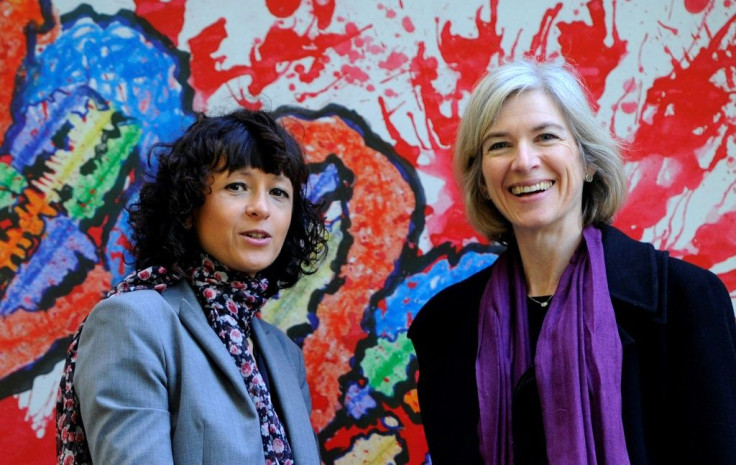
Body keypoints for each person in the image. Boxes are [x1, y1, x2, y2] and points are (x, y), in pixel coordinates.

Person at [408, 58, 736, 465]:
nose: (524, 161)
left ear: (589, 162)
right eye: (499, 145)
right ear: (482, 181)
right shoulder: (445, 326)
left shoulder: (687, 302)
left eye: (545, 137)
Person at [56, 108, 328, 465]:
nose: (261, 208)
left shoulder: (283, 354)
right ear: (187, 207)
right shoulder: (132, 321)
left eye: (279, 192)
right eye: (237, 186)